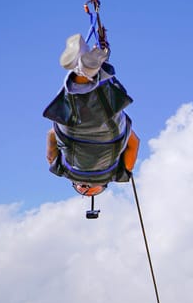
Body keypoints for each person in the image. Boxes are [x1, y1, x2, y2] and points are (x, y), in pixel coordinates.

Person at [43, 33, 140, 196]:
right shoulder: (63, 171)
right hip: (72, 134)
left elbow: (134, 143)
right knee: (75, 105)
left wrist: (123, 134)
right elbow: (51, 140)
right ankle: (82, 69)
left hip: (109, 136)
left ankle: (89, 69)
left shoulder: (115, 174)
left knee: (103, 104)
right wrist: (58, 132)